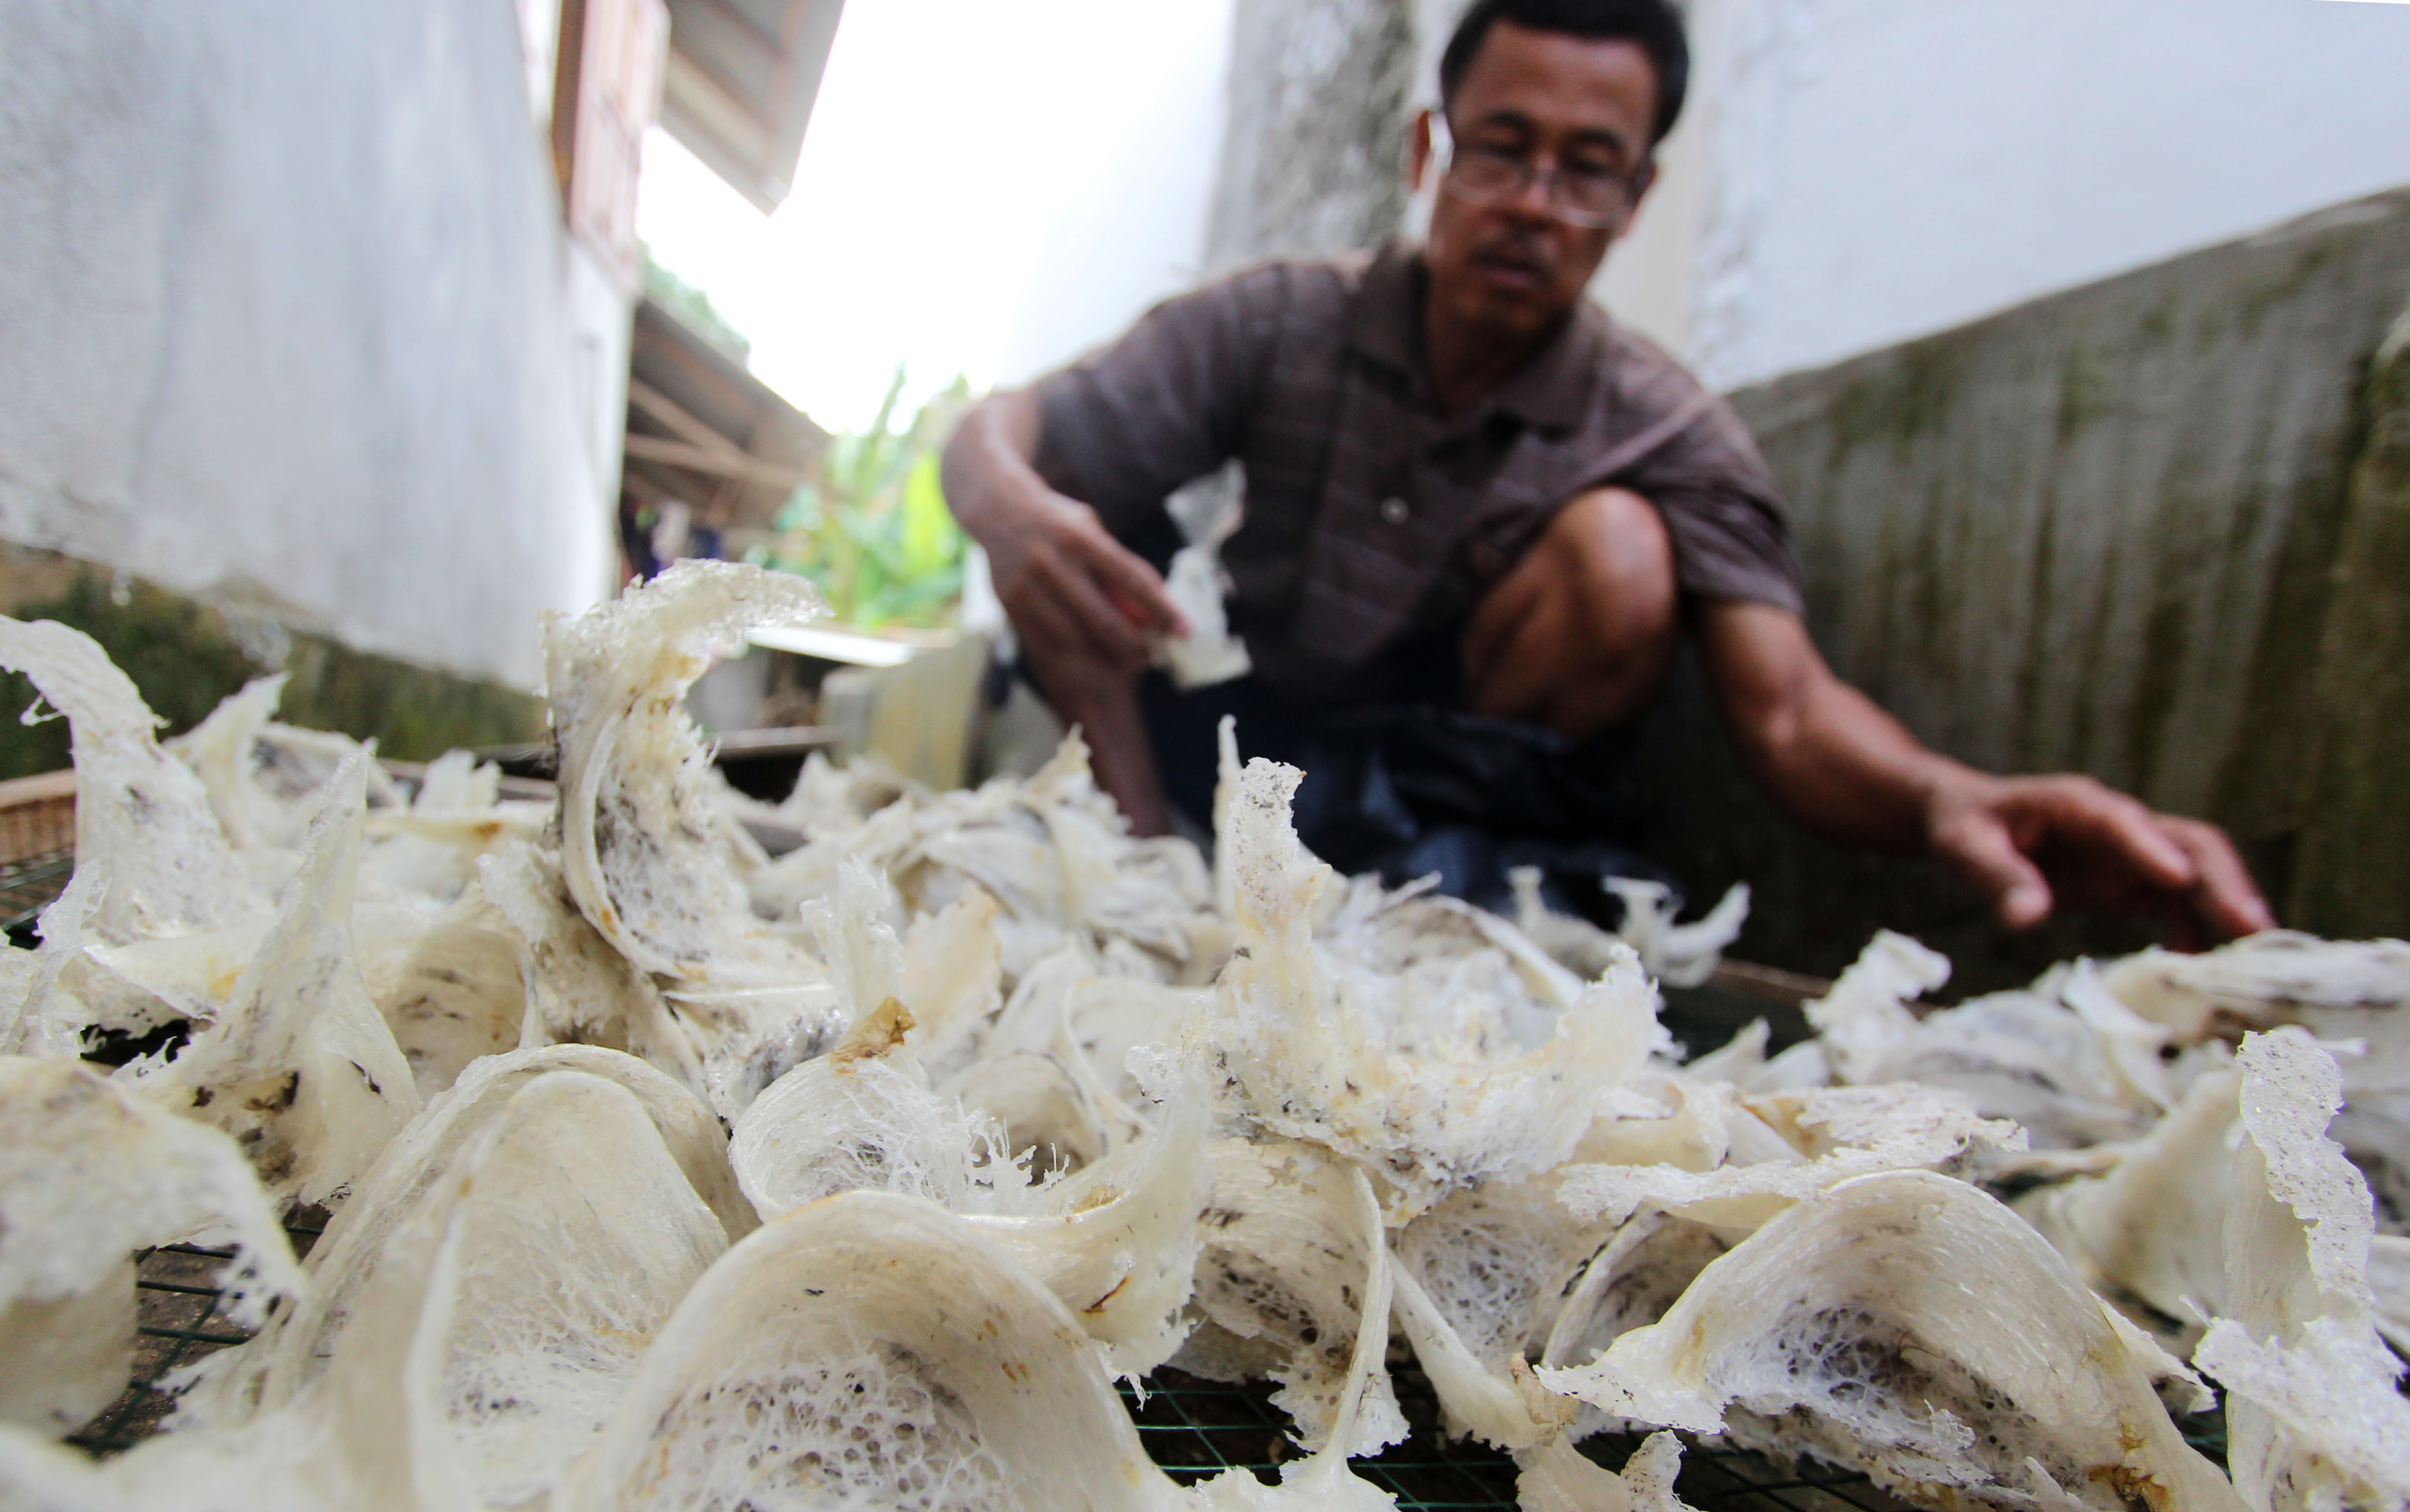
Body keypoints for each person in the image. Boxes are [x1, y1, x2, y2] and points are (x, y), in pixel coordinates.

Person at [941, 0, 2271, 946]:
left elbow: (1796, 716)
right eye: (1502, 148)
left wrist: (1954, 798)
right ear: (1428, 155)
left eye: (1586, 171)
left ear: (1635, 199)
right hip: (1239, 735)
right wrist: (1012, 509)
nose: (1534, 203)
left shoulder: (1671, 430)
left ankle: (1417, 908)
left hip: (1453, 789)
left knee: (1625, 554)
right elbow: (1001, 430)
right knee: (1067, 512)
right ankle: (1145, 874)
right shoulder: (1277, 320)